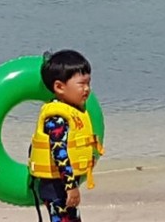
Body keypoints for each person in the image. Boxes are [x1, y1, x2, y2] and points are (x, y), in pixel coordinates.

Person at [29, 50, 103, 222]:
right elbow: (59, 152)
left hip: (60, 186)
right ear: (59, 87)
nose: (87, 89)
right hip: (56, 188)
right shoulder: (57, 118)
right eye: (81, 84)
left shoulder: (72, 112)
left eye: (88, 83)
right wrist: (70, 186)